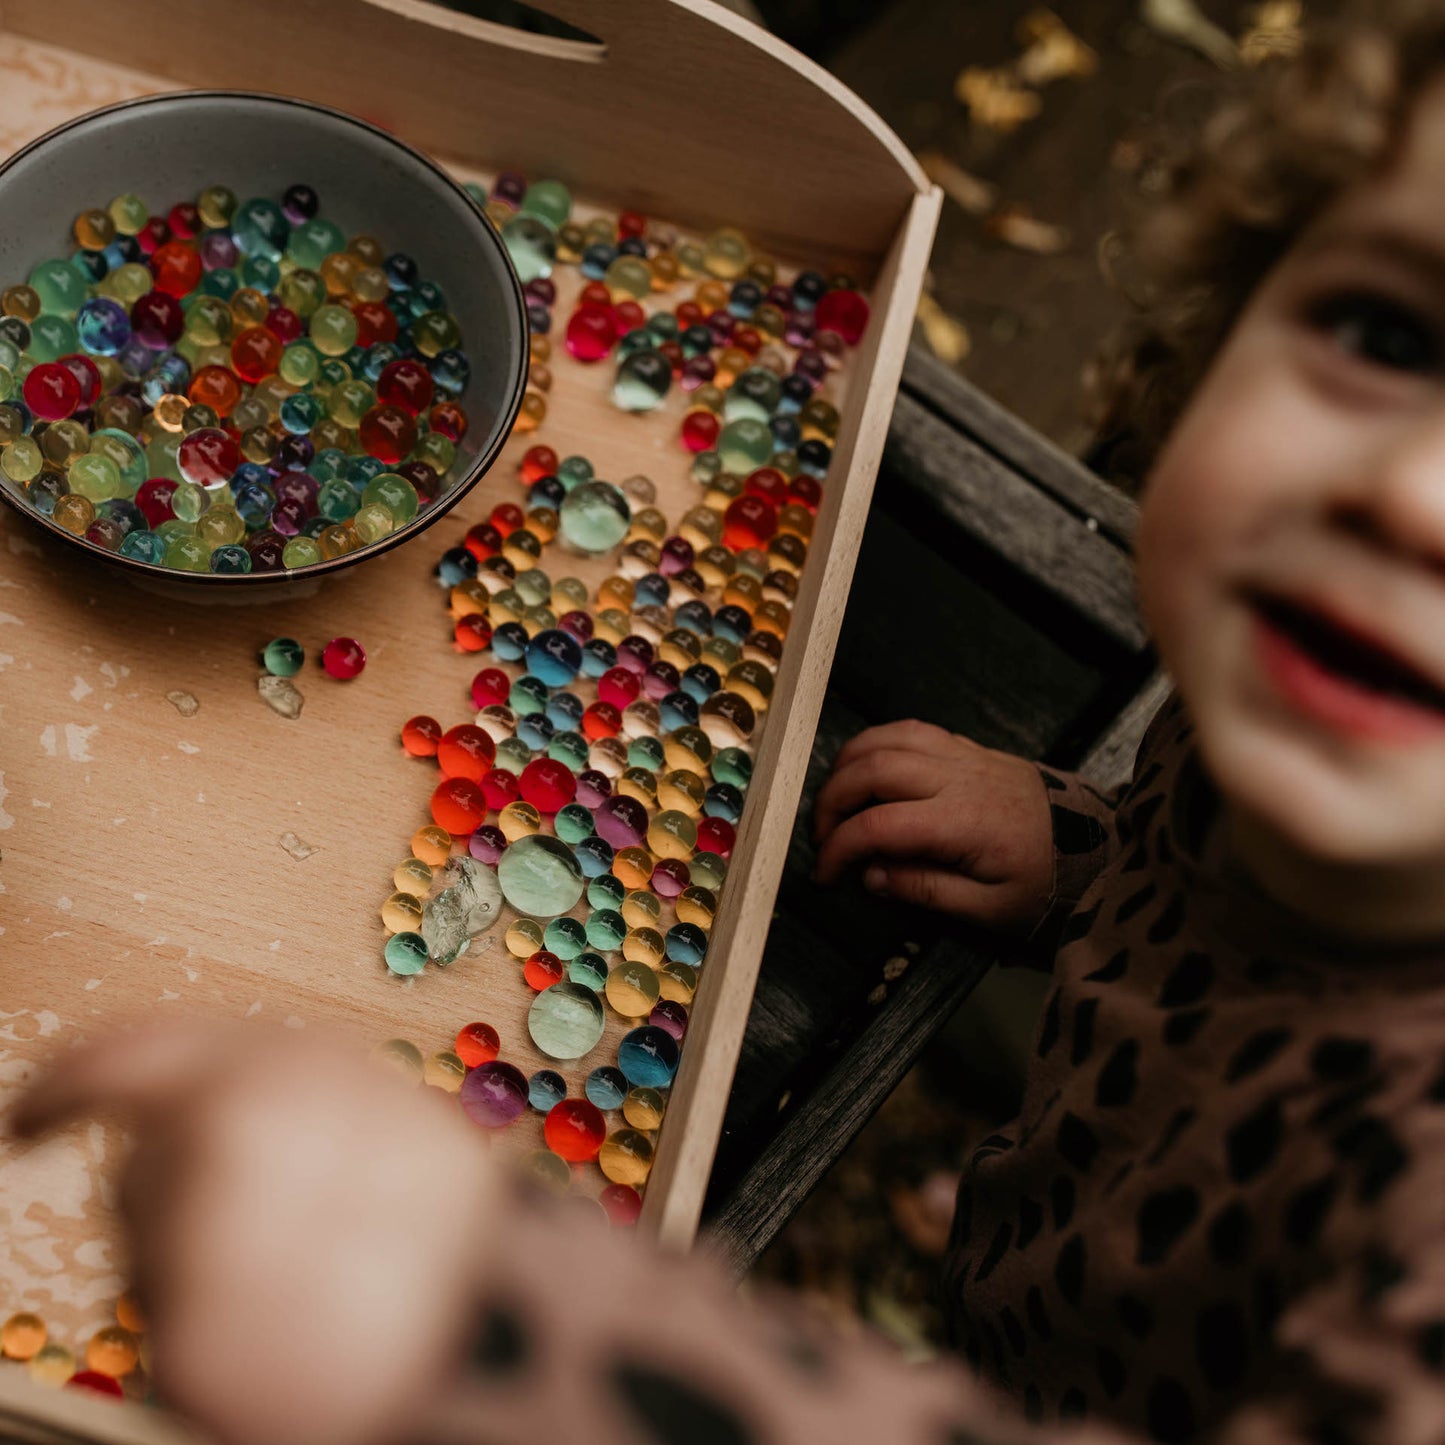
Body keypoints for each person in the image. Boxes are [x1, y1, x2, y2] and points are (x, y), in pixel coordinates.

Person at [15, 2, 1445, 1440]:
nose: (1411, 493)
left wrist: (484, 1330)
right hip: (1065, 1249)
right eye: (1386, 332)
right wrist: (1096, 860)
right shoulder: (1352, 713)